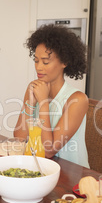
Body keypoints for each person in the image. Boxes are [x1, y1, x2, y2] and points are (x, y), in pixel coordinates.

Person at [14, 24, 89, 168]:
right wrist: (30, 103)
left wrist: (43, 102)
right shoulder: (34, 89)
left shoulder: (77, 99)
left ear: (64, 62)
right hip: (42, 168)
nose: (38, 67)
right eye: (36, 60)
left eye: (45, 62)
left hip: (72, 175)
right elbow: (19, 138)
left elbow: (48, 150)